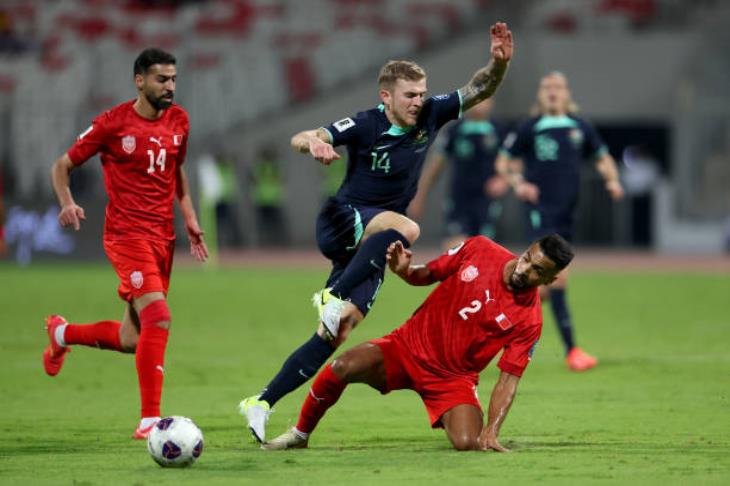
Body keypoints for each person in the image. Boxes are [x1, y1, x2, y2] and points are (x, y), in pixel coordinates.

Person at [240, 22, 514, 443]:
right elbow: (305, 134)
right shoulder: (365, 124)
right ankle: (330, 296)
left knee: (338, 331)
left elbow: (478, 89)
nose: (418, 102)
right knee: (407, 226)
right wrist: (313, 143)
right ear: (385, 96)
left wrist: (498, 64)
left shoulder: (432, 114)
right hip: (341, 219)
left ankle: (261, 402)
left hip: (371, 243)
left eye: (422, 93)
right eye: (410, 95)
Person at [262, 233, 574, 451]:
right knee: (342, 366)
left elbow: (509, 380)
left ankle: (477, 426)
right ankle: (300, 434)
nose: (524, 270)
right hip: (406, 347)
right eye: (526, 259)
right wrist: (405, 271)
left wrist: (492, 431)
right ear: (526, 250)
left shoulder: (530, 320)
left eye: (537, 272)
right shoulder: (480, 249)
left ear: (550, 281)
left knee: (468, 444)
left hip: (452, 379)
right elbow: (427, 274)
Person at [44, 47, 208, 439]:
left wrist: (188, 217)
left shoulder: (179, 121)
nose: (170, 87)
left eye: (173, 79)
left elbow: (176, 170)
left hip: (162, 238)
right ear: (140, 81)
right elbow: (61, 166)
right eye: (161, 80)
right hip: (126, 236)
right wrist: (67, 203)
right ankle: (150, 420)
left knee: (132, 339)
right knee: (159, 316)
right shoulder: (112, 123)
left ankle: (61, 334)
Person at [495, 71, 624, 372]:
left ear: (568, 94)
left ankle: (488, 327)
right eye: (547, 87)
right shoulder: (530, 127)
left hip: (566, 214)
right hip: (540, 211)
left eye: (558, 87)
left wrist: (613, 181)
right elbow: (503, 163)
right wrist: (518, 183)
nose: (552, 91)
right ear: (540, 94)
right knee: (557, 278)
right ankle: (572, 351)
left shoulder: (580, 127)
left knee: (540, 289)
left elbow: (602, 158)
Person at [409, 98, 508, 250]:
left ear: (491, 102)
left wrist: (503, 179)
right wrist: (419, 195)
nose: (479, 103)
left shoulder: (499, 130)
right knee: (455, 246)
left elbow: (512, 161)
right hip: (459, 198)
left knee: (484, 248)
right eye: (476, 98)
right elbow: (435, 166)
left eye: (484, 98)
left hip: (486, 199)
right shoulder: (454, 131)